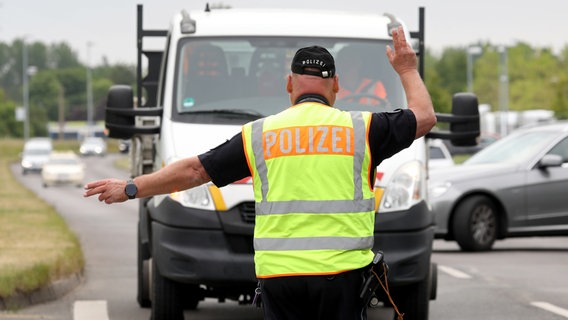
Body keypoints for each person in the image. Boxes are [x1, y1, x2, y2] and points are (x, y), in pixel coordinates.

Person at [84, 26, 436, 320]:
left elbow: (194, 170)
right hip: (340, 278)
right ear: (336, 86)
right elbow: (424, 116)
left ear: (289, 85)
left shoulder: (260, 135)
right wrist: (406, 69)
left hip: (279, 278)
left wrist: (131, 187)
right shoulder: (363, 129)